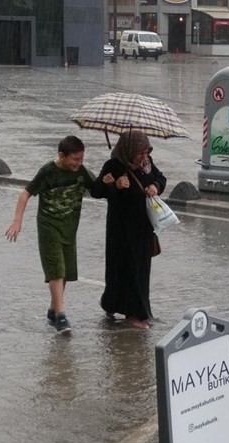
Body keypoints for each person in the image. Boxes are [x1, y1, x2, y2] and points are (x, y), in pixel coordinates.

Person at [5, 135, 96, 334]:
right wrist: (17, 222)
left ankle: (53, 310)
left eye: (81, 159)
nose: (78, 163)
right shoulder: (48, 171)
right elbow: (25, 194)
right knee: (57, 269)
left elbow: (97, 190)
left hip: (70, 229)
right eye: (75, 159)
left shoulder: (81, 172)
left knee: (65, 274)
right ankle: (61, 316)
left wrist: (111, 182)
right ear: (61, 155)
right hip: (49, 227)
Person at [89, 130, 166, 330]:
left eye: (146, 152)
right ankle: (133, 315)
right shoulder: (113, 166)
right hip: (120, 230)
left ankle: (125, 307)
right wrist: (115, 185)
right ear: (129, 150)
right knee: (123, 269)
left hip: (143, 228)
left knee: (141, 271)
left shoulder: (148, 165)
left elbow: (161, 178)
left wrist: (156, 186)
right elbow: (96, 191)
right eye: (140, 153)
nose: (144, 157)